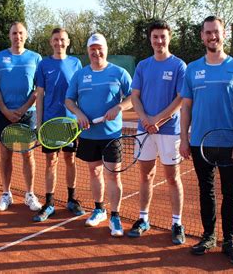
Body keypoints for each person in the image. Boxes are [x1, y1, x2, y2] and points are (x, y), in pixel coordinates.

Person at [179, 16, 233, 265]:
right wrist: (183, 139)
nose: (212, 36)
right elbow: (186, 107)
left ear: (223, 34)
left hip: (229, 143)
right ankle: (208, 236)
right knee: (205, 191)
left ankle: (229, 241)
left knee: (231, 194)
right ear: (202, 36)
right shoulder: (191, 69)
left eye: (216, 32)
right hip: (200, 142)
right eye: (208, 32)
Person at [65, 33, 132, 237]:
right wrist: (78, 113)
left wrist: (119, 107)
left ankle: (115, 216)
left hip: (111, 134)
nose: (96, 52)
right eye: (92, 49)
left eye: (99, 48)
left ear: (106, 49)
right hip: (88, 135)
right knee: (94, 172)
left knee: (113, 175)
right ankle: (99, 209)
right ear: (88, 52)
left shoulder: (119, 73)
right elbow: (69, 100)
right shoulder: (80, 75)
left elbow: (133, 97)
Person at [128, 20, 186, 245]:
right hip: (145, 130)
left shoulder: (179, 66)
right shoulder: (143, 66)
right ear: (150, 39)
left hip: (169, 131)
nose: (159, 41)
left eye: (163, 36)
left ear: (169, 38)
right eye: (155, 37)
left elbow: (180, 99)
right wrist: (145, 120)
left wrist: (157, 119)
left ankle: (177, 223)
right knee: (146, 176)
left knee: (172, 178)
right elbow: (135, 96)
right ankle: (143, 219)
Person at [32, 28, 85, 222]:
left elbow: (81, 92)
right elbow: (39, 96)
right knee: (51, 162)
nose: (59, 43)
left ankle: (72, 200)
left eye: (62, 40)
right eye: (56, 40)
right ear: (51, 42)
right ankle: (50, 203)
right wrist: (39, 123)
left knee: (70, 160)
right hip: (50, 123)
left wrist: (80, 117)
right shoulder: (43, 64)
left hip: (70, 123)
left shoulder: (76, 63)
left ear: (68, 42)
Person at [0, 22, 42, 212]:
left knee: (28, 154)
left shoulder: (35, 58)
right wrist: (4, 109)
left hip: (27, 113)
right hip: (3, 113)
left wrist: (22, 109)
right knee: (5, 155)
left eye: (21, 33)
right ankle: (6, 193)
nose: (17, 36)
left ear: (26, 36)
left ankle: (29, 194)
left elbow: (38, 89)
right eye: (14, 33)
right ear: (9, 35)